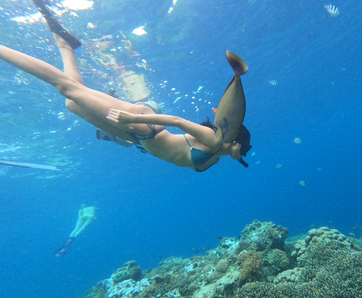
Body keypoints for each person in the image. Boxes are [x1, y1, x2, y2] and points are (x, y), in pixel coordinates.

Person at [0, 0, 252, 172]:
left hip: (138, 138)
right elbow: (175, 120)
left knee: (71, 102)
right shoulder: (213, 140)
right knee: (66, 89)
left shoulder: (215, 159)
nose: (244, 154)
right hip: (143, 124)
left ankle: (65, 45)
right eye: (245, 148)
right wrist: (131, 115)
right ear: (237, 140)